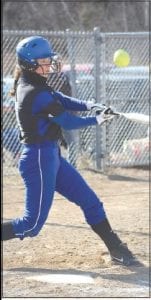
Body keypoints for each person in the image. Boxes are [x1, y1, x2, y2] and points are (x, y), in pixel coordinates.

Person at [2, 36, 141, 267]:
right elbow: (67, 122)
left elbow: (61, 99)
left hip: (51, 156)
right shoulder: (32, 92)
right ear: (29, 64)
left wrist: (90, 105)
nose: (49, 64)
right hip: (38, 158)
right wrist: (97, 120)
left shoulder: (35, 83)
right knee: (31, 224)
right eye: (44, 61)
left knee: (91, 202)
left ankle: (117, 250)